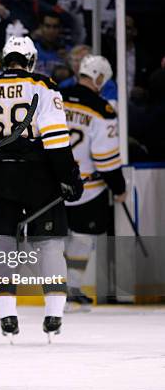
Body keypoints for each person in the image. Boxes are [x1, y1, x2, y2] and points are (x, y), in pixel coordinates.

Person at [0, 36, 84, 342]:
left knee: (1, 243)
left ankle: (7, 317)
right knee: (49, 243)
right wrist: (68, 175)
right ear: (30, 62)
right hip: (39, 174)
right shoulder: (43, 85)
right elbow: (55, 137)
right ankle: (54, 315)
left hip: (0, 172)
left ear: (4, 60)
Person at [60, 55, 126, 312]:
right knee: (82, 238)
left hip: (53, 184)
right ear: (98, 78)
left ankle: (58, 291)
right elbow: (106, 158)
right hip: (87, 188)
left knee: (55, 239)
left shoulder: (55, 98)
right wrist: (118, 187)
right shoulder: (102, 109)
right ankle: (73, 290)